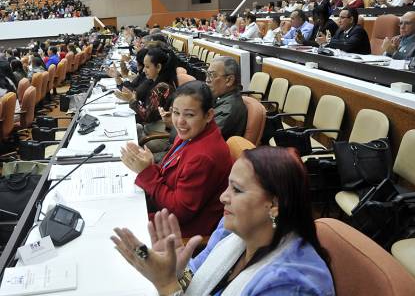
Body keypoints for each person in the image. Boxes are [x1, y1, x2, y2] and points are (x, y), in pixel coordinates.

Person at [112, 146, 335, 295]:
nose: (222, 197)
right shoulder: (233, 230)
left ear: (274, 205)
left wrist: (167, 285)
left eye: (236, 190)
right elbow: (195, 274)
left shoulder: (291, 285)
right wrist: (176, 271)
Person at [120, 80, 233, 238]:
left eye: (189, 115)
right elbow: (171, 173)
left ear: (208, 115)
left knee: (118, 221)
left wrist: (146, 172)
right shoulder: (192, 134)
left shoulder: (204, 156)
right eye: (175, 112)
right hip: (165, 211)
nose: (180, 121)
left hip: (183, 229)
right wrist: (150, 165)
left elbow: (179, 212)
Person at [116, 46, 177, 152]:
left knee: (127, 147)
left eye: (147, 67)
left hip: (160, 135)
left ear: (158, 67)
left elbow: (146, 116)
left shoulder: (163, 87)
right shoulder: (155, 81)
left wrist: (131, 100)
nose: (144, 70)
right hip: (151, 129)